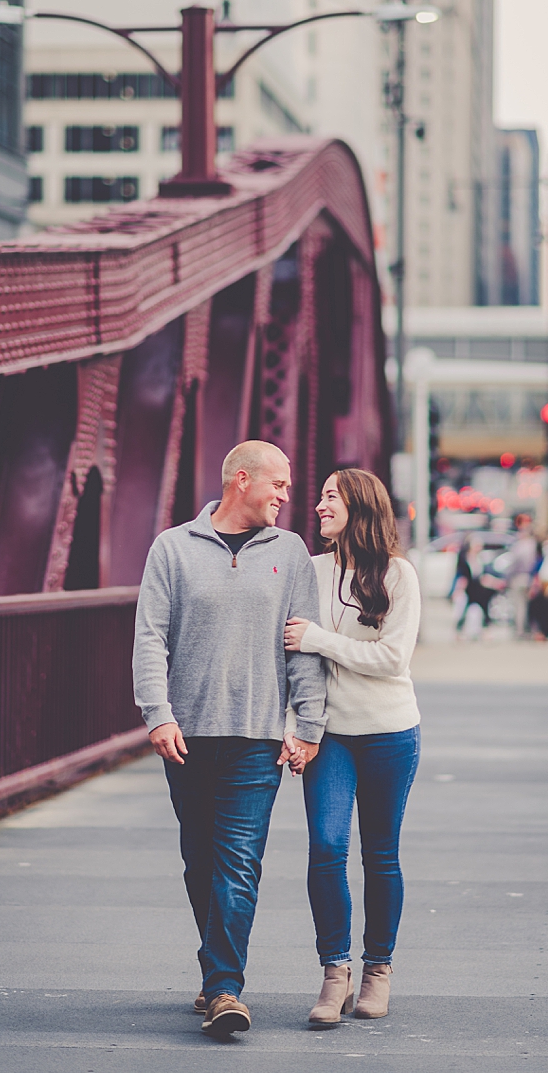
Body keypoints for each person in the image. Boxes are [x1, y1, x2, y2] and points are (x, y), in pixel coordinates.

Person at [134, 440, 327, 1038]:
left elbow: (303, 643)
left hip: (257, 737)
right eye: (280, 484)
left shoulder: (290, 552)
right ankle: (215, 964)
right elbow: (150, 637)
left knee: (238, 863)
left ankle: (224, 988)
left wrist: (308, 726)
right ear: (241, 480)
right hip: (187, 736)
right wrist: (157, 714)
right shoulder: (172, 547)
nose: (287, 496)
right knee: (200, 861)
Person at [283, 468, 422, 1028]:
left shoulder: (399, 575)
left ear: (360, 505)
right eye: (318, 497)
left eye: (330, 496)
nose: (317, 505)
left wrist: (319, 638)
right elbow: (290, 659)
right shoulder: (308, 572)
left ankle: (378, 971)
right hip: (330, 736)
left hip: (390, 732)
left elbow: (393, 659)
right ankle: (334, 972)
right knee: (326, 846)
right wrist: (294, 725)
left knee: (380, 855)